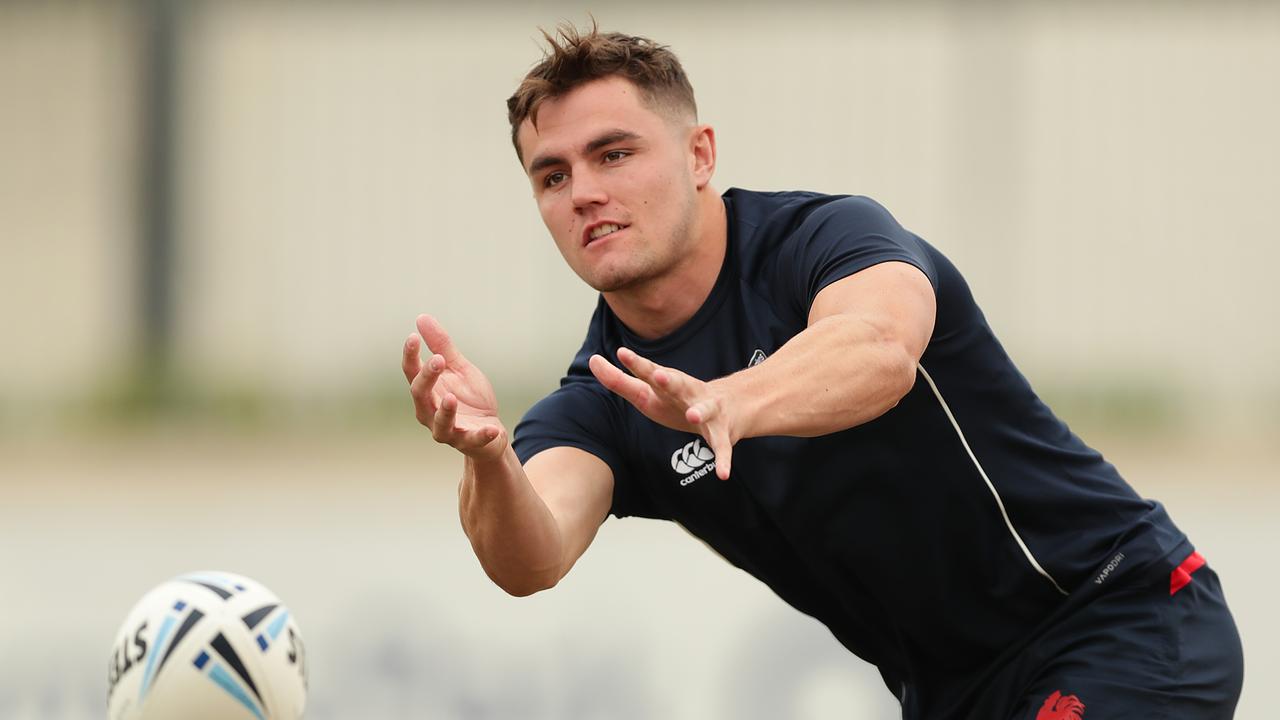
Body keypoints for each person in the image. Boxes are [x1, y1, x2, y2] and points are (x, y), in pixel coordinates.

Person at [401, 25, 1243, 720]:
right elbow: (531, 556)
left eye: (613, 154)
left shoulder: (822, 241)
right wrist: (485, 458)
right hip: (953, 697)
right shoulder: (603, 399)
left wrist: (729, 401)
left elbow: (879, 350)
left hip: (1116, 611)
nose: (582, 191)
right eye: (553, 175)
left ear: (699, 154)